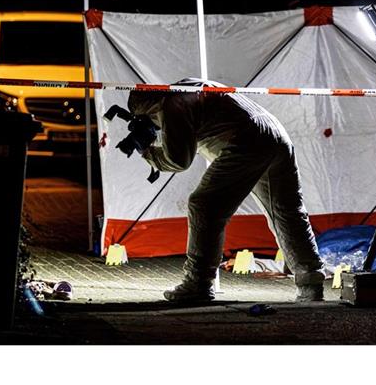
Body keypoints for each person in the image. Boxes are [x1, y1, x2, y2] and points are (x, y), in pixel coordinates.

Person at [127, 78, 326, 303]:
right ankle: (311, 283)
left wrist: (147, 151)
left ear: (147, 109)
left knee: (204, 205)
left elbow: (178, 161)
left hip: (245, 140)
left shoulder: (170, 105)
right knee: (288, 211)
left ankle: (198, 283)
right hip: (274, 132)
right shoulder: (187, 87)